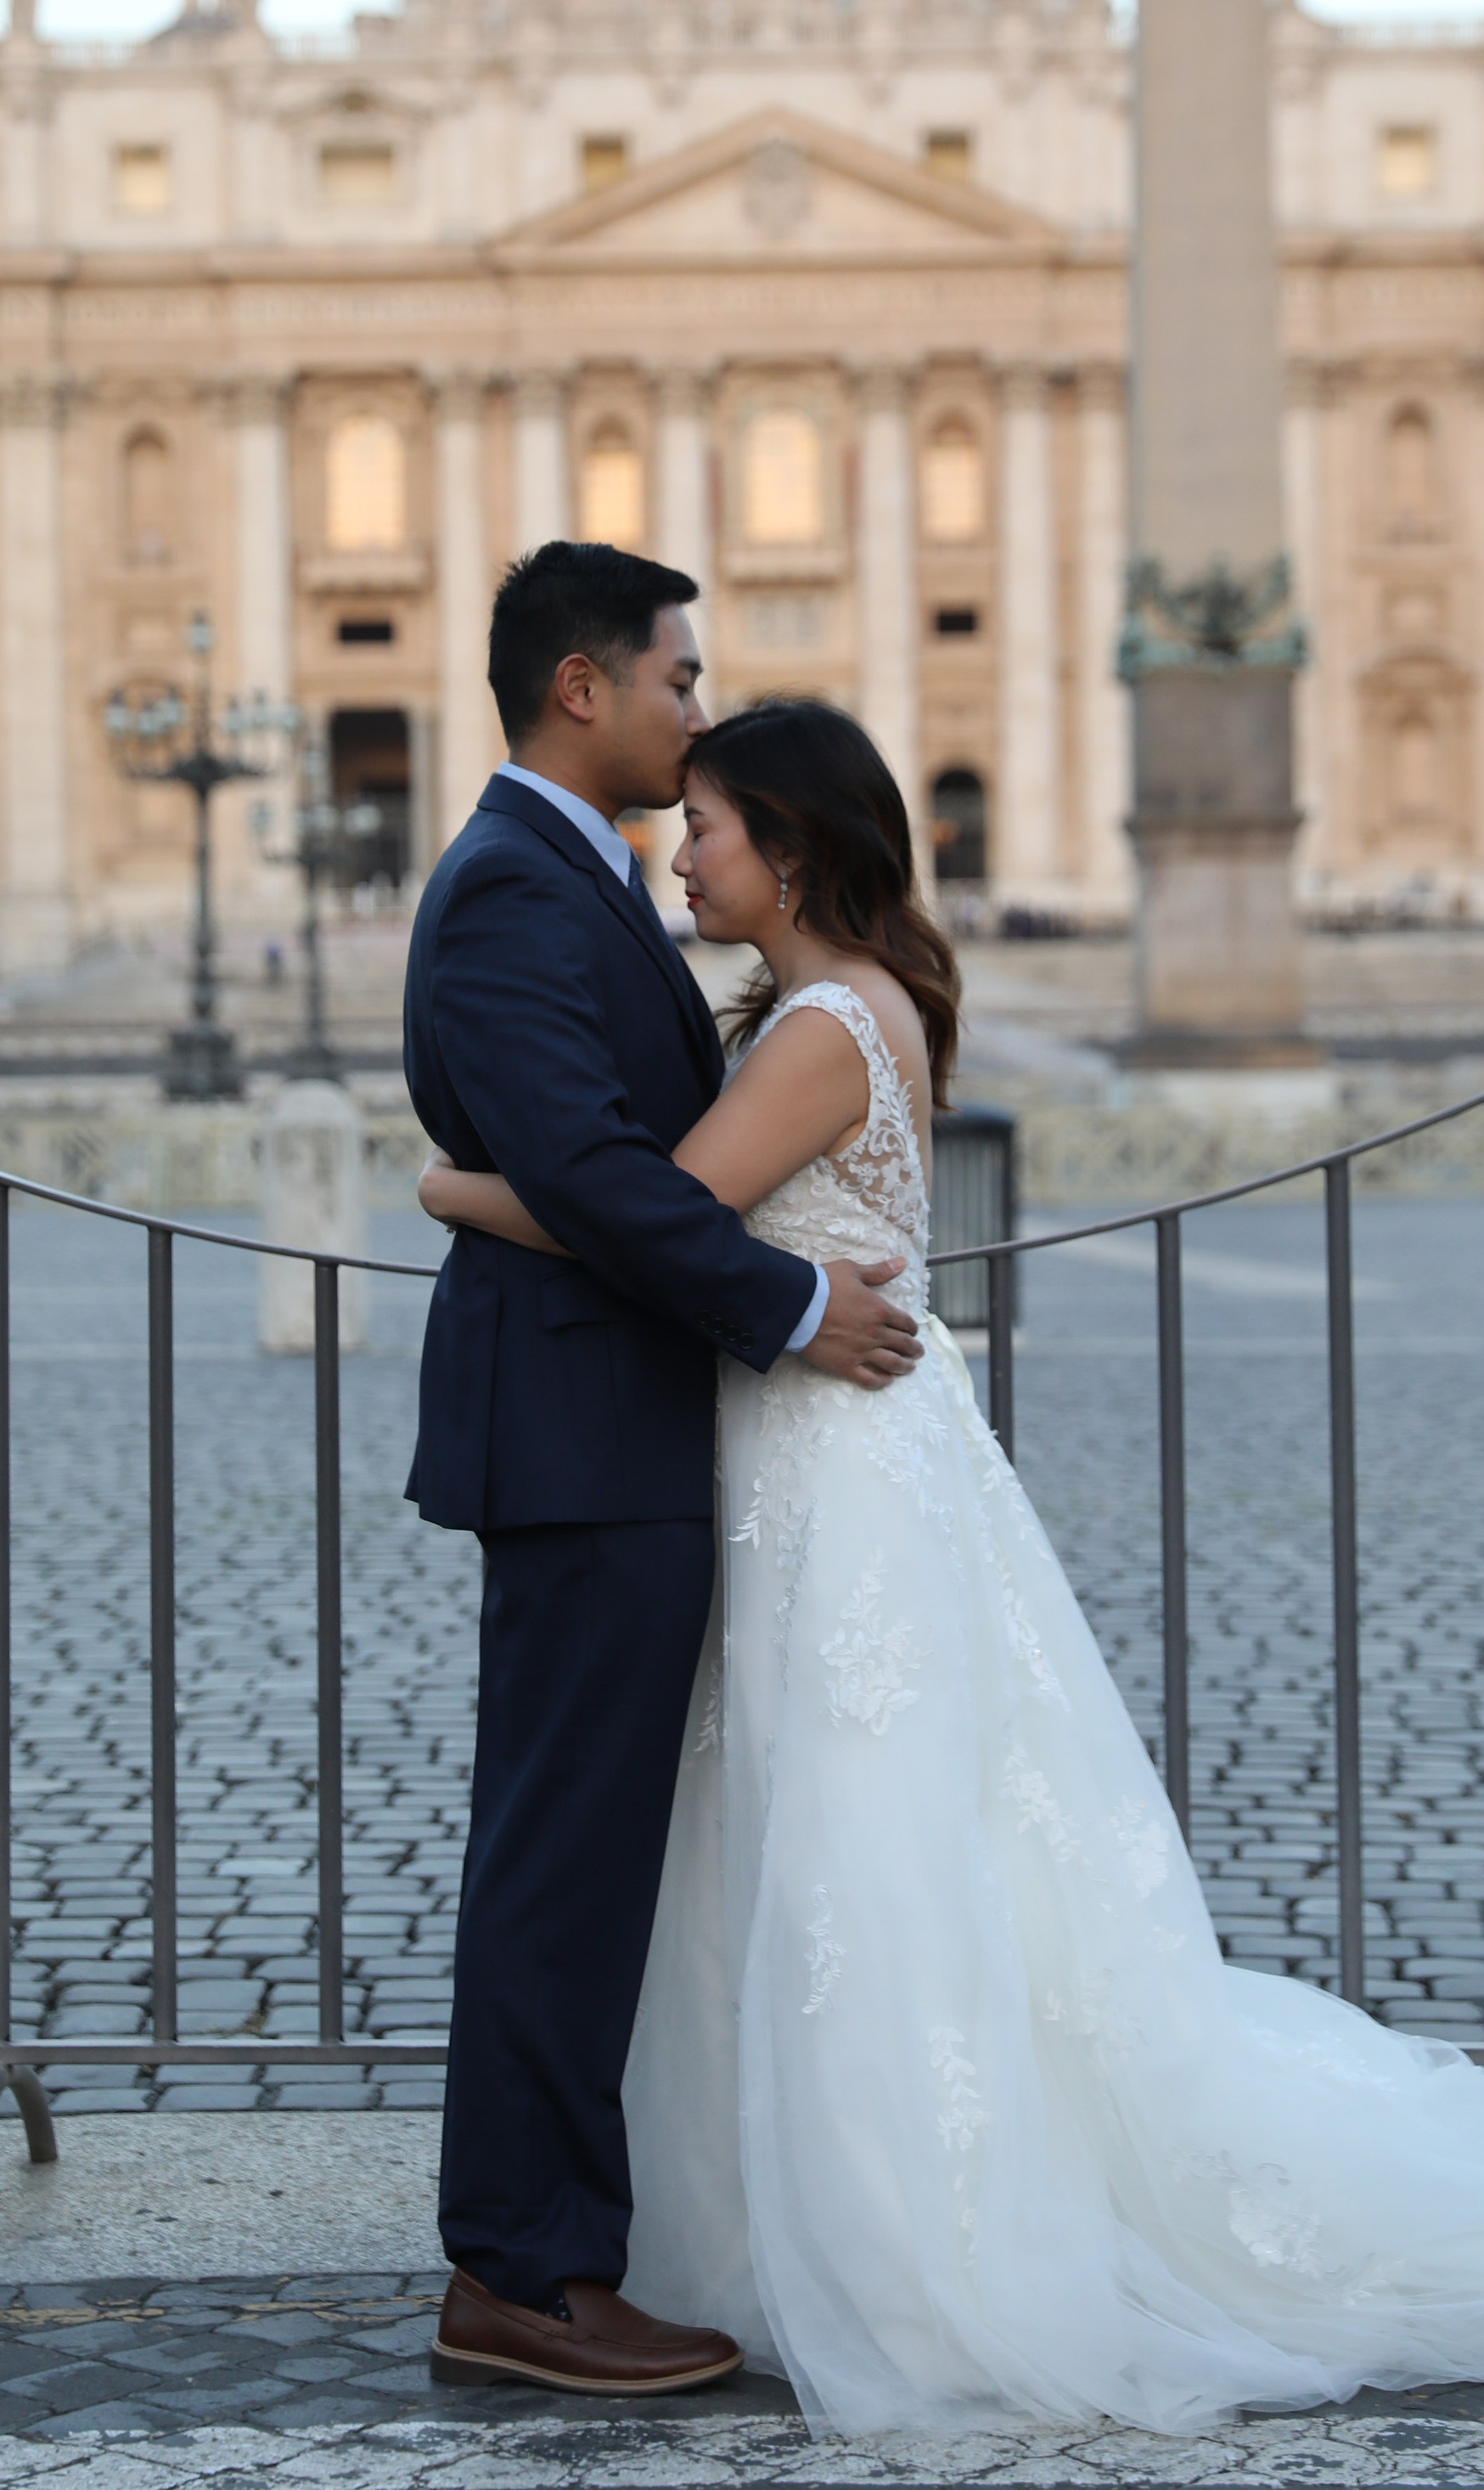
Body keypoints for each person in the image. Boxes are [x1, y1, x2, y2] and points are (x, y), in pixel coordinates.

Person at [420, 695, 1484, 2437]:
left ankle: (899, 2235)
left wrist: (458, 1190)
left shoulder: (815, 1029)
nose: (678, 853)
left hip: (827, 1475)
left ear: (787, 846)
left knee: (855, 1846)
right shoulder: (845, 1005)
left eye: (705, 824)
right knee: (857, 1843)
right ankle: (817, 2212)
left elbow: (656, 1217)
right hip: (842, 1463)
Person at [402, 547, 923, 2400]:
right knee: (562, 1860)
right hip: (582, 1438)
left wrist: (460, 1195)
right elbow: (617, 1182)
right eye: (678, 682)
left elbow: (603, 1168)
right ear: (580, 688)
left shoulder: (569, 882)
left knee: (594, 1854)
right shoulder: (512, 901)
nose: (697, 712)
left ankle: (556, 2247)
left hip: (616, 1426)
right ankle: (524, 2270)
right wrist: (788, 1305)